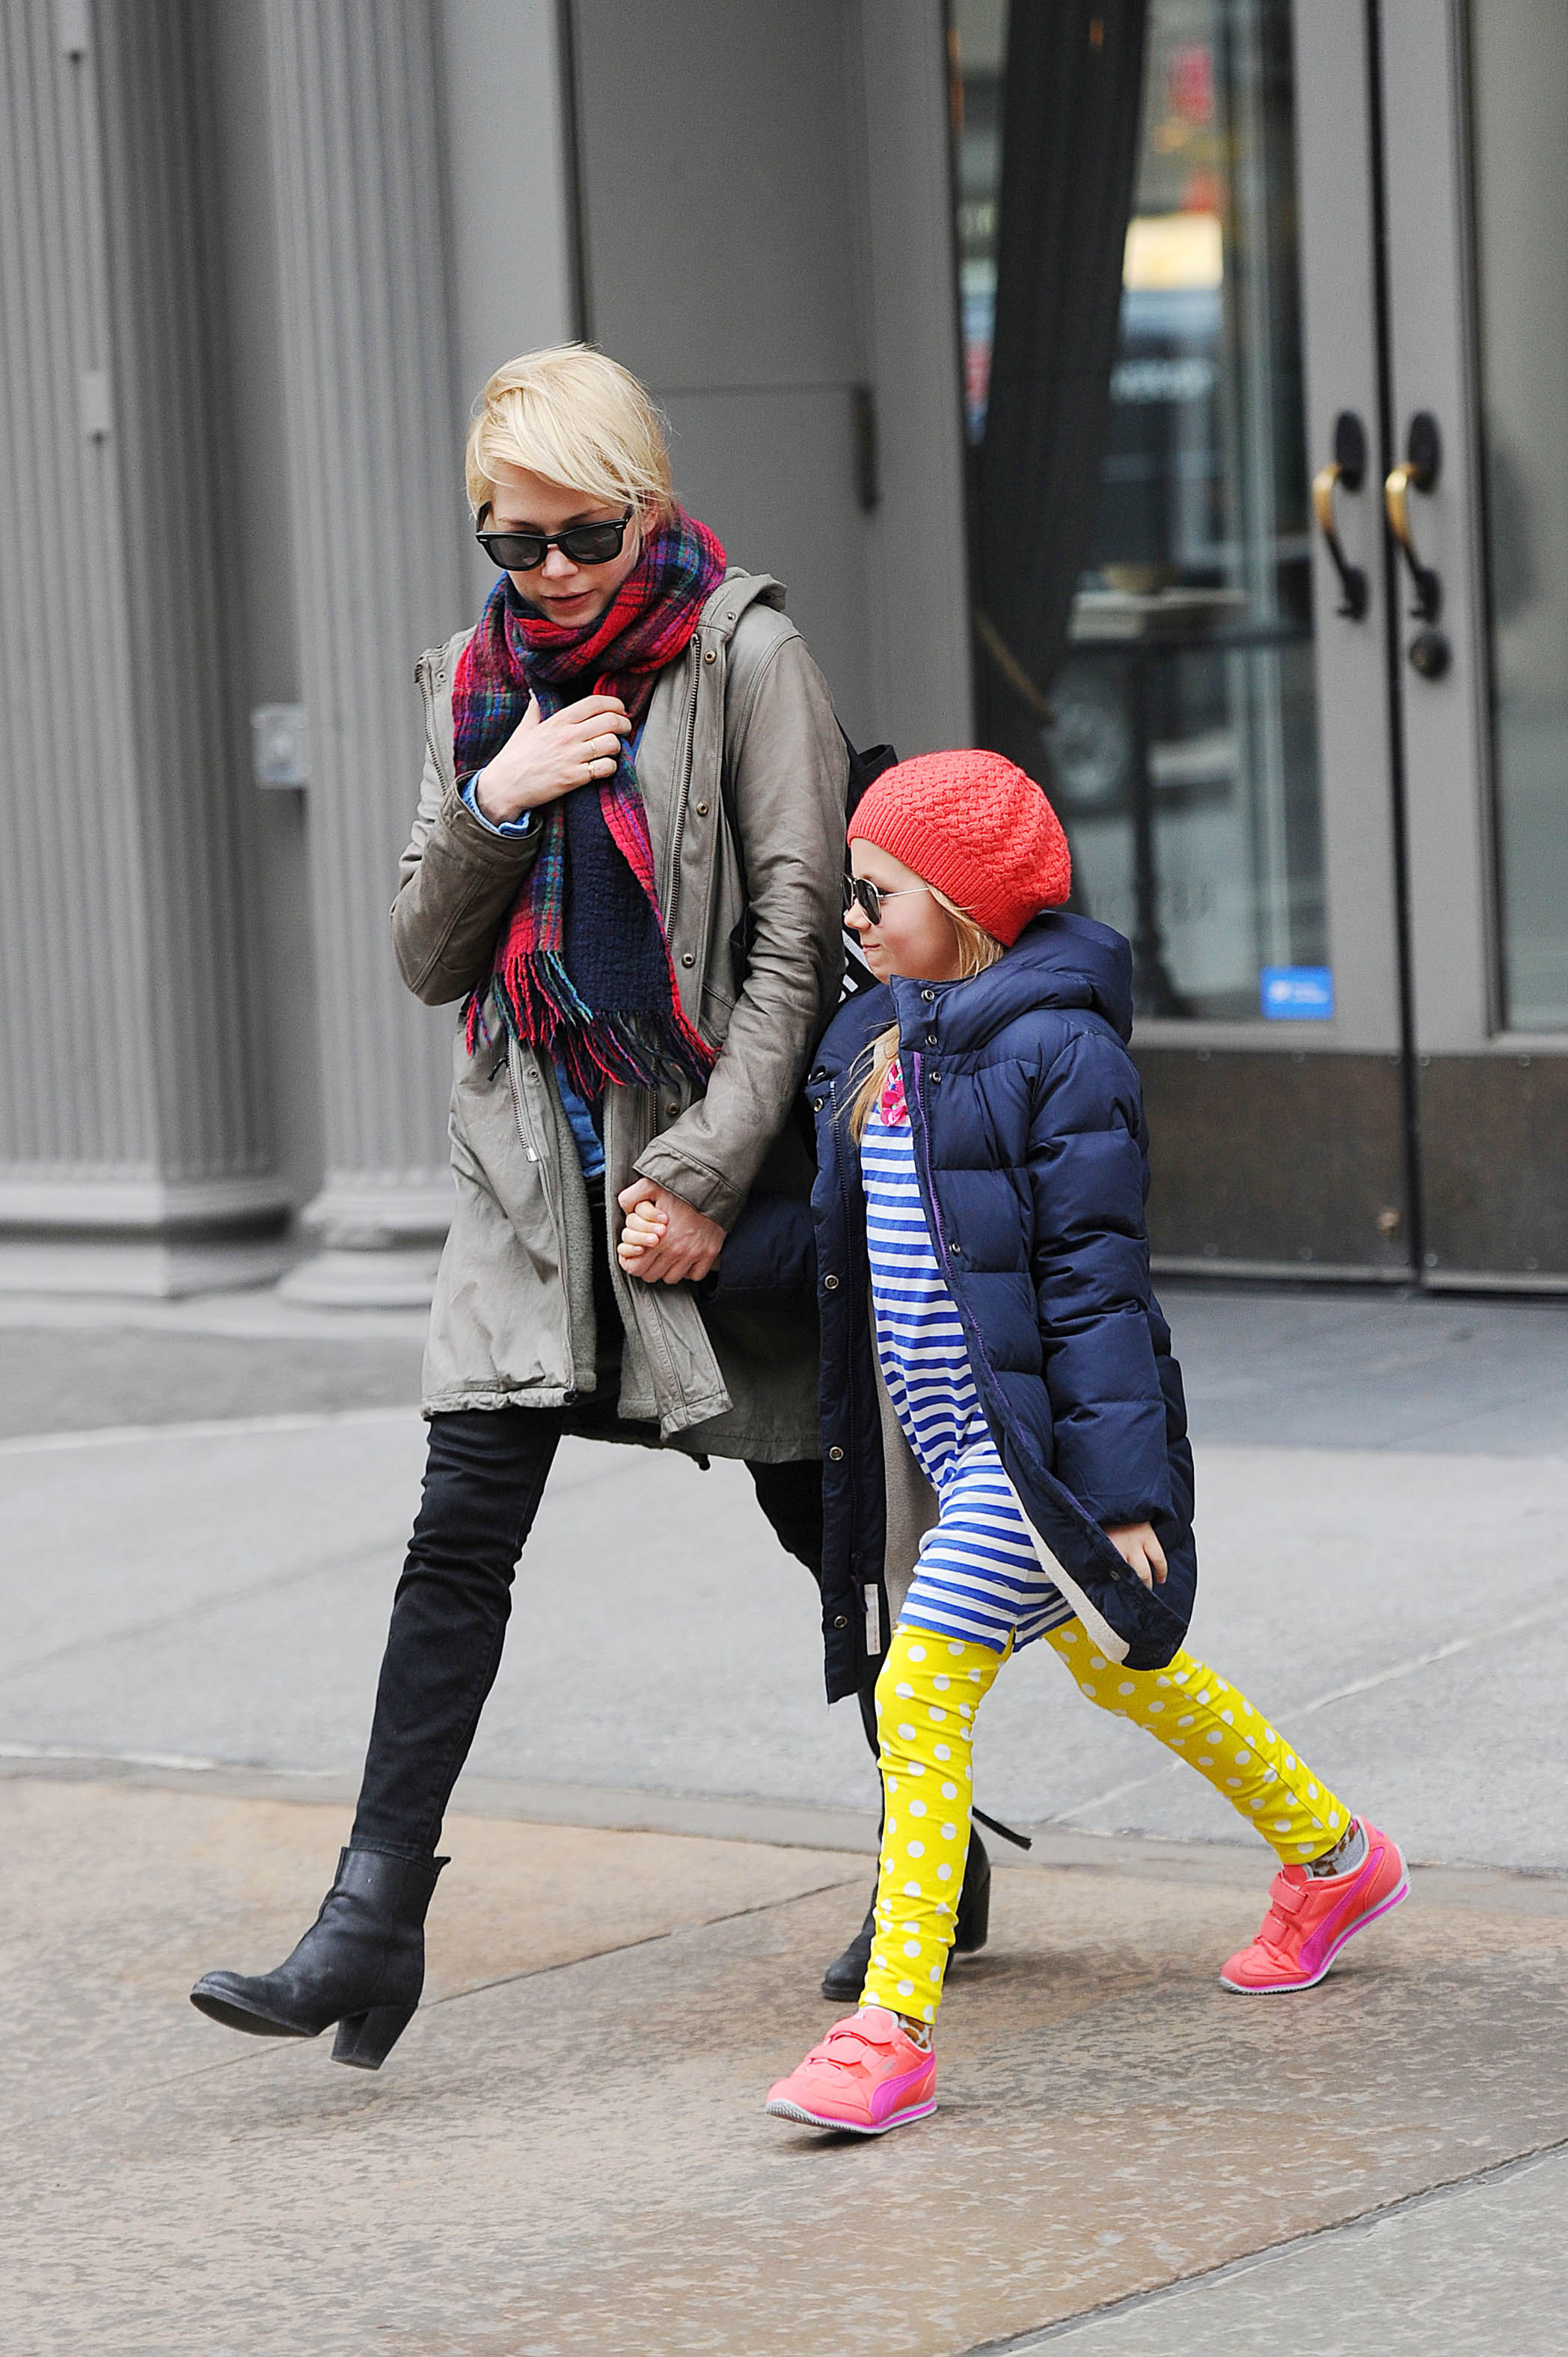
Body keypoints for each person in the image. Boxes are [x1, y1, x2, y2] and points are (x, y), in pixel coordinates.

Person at [189, 343, 866, 2067]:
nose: (552, 575)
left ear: (647, 507)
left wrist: (706, 1173)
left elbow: (794, 948)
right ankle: (371, 1921)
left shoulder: (753, 661)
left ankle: (932, 1853)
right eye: (517, 544)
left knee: (821, 1525)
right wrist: (504, 795)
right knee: (456, 1538)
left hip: (701, 1162)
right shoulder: (477, 687)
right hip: (528, 1179)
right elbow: (429, 952)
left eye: (583, 538)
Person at [744, 750, 1406, 2136]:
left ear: (967, 904)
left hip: (1035, 1454)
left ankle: (892, 2030)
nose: (852, 918)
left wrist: (1119, 1495)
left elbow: (1098, 1282)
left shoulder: (1059, 1048)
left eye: (879, 892)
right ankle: (1333, 1853)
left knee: (922, 1692)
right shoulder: (883, 1038)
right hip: (943, 1443)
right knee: (1129, 1675)